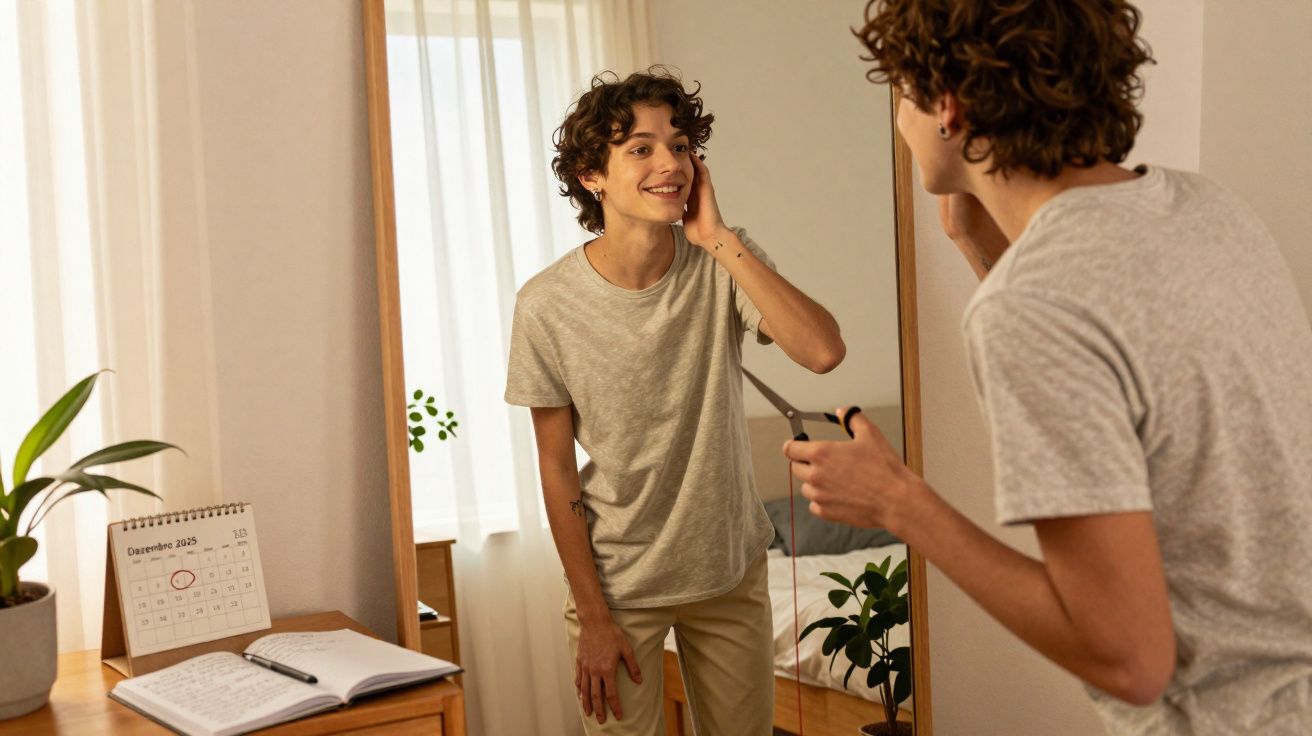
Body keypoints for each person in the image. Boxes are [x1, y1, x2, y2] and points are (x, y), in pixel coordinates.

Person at [784, 1, 1312, 733]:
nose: (900, 125)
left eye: (900, 98)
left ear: (948, 107)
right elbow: (1099, 363)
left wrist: (897, 502)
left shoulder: (1032, 303)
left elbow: (1131, 660)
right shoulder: (1210, 210)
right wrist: (980, 248)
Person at [504, 68, 846, 734]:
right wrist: (594, 617)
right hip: (618, 585)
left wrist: (719, 239)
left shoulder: (722, 261)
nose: (671, 163)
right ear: (590, 175)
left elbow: (823, 351)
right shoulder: (545, 306)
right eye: (641, 148)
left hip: (728, 570)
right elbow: (555, 469)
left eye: (682, 145)